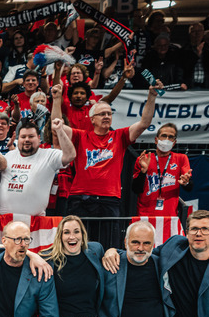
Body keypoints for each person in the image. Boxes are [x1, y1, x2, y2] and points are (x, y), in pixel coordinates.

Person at [59, 79, 161, 232]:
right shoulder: (81, 137)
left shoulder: (120, 136)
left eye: (109, 113)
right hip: (80, 198)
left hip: (109, 199)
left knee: (108, 243)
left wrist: (152, 96)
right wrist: (55, 100)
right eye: (102, 114)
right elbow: (57, 125)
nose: (106, 116)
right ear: (92, 119)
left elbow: (144, 123)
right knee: (78, 243)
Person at [0, 120, 75, 227]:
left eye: (31, 136)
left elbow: (70, 155)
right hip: (5, 221)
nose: (27, 140)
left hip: (35, 223)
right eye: (23, 137)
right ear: (18, 139)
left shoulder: (49, 155)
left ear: (39, 138)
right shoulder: (9, 155)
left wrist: (59, 130)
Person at [132, 123, 193, 221]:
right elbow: (136, 189)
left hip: (170, 216)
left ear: (174, 142)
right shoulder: (144, 159)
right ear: (156, 140)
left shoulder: (181, 159)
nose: (167, 139)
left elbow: (189, 187)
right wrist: (143, 172)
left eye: (171, 137)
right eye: (164, 136)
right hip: (145, 215)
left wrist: (186, 183)